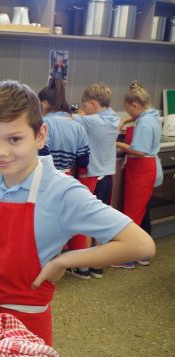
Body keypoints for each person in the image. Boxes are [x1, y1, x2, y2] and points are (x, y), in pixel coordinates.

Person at [0, 80, 155, 345]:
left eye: (15, 139)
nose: (1, 153)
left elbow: (142, 245)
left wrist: (63, 261)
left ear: (40, 136)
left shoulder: (62, 191)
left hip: (24, 325)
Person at [38, 78, 100, 278]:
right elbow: (83, 160)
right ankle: (72, 267)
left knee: (45, 226)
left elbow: (41, 155)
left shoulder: (45, 123)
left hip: (46, 180)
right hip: (66, 178)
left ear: (45, 103)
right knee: (65, 224)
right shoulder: (77, 126)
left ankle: (45, 270)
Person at [68, 83, 121, 279]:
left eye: (85, 104)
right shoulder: (114, 118)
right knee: (100, 220)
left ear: (92, 103)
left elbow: (67, 119)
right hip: (107, 176)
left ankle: (83, 267)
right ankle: (97, 266)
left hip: (91, 176)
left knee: (85, 221)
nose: (84, 108)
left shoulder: (91, 121)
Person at [112, 81, 163, 269]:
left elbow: (139, 151)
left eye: (129, 111)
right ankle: (143, 253)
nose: (129, 114)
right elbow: (136, 119)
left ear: (136, 105)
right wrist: (125, 120)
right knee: (142, 212)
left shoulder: (145, 123)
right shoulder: (151, 116)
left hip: (141, 168)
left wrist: (117, 144)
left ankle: (128, 258)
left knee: (133, 213)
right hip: (146, 168)